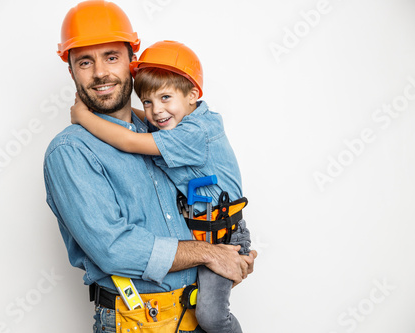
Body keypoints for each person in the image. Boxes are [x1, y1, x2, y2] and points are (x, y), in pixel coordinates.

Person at [43, 1, 256, 333]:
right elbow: (115, 249)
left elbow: (198, 204)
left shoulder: (162, 131)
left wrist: (229, 255)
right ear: (71, 70)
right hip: (137, 322)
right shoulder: (71, 151)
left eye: (111, 57)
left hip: (196, 314)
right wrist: (209, 254)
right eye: (85, 61)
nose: (100, 72)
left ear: (132, 62)